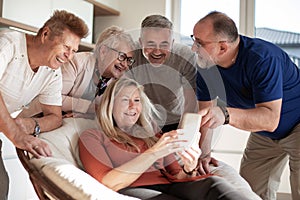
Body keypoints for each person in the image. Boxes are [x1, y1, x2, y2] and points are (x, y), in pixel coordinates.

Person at [78, 77, 252, 200]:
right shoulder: (93, 137)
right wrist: (153, 153)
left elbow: (178, 176)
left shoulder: (151, 135)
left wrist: (189, 167)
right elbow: (108, 182)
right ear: (110, 105)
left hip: (172, 186)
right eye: (125, 100)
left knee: (214, 183)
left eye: (137, 100)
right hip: (134, 189)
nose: (133, 106)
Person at [193, 11, 300, 200]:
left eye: (200, 43)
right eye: (194, 39)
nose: (194, 48)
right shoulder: (205, 65)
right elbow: (206, 115)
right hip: (265, 133)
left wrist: (225, 115)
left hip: (295, 124)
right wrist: (204, 153)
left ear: (223, 47)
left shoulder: (263, 59)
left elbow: (270, 119)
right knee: (248, 192)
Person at [0, 10, 88, 199]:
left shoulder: (51, 72)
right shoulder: (8, 43)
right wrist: (16, 135)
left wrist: (30, 124)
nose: (69, 56)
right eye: (66, 47)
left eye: (74, 51)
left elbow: (55, 117)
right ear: (46, 34)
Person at [126, 14, 198, 133]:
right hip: (141, 119)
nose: (157, 51)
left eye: (164, 44)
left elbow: (191, 102)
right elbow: (126, 94)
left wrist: (181, 132)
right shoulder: (131, 54)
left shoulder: (185, 56)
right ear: (140, 42)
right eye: (150, 44)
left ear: (172, 42)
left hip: (176, 120)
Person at [61, 25, 136, 119]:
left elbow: (115, 112)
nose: (125, 64)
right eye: (122, 56)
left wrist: (84, 114)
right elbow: (55, 98)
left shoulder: (122, 80)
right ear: (103, 51)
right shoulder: (76, 62)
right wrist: (92, 107)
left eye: (129, 60)